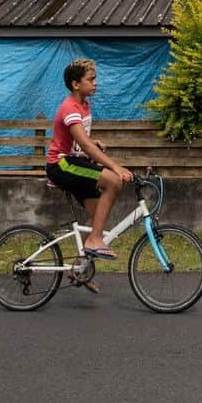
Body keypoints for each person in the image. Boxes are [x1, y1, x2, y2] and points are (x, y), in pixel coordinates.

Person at [46, 58, 133, 260]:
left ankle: (79, 267)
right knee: (114, 181)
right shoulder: (70, 108)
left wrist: (92, 142)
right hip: (61, 165)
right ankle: (94, 240)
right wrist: (115, 167)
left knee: (97, 217)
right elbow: (83, 145)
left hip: (72, 161)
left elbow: (79, 141)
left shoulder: (84, 104)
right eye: (91, 79)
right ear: (76, 84)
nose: (96, 83)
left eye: (95, 79)